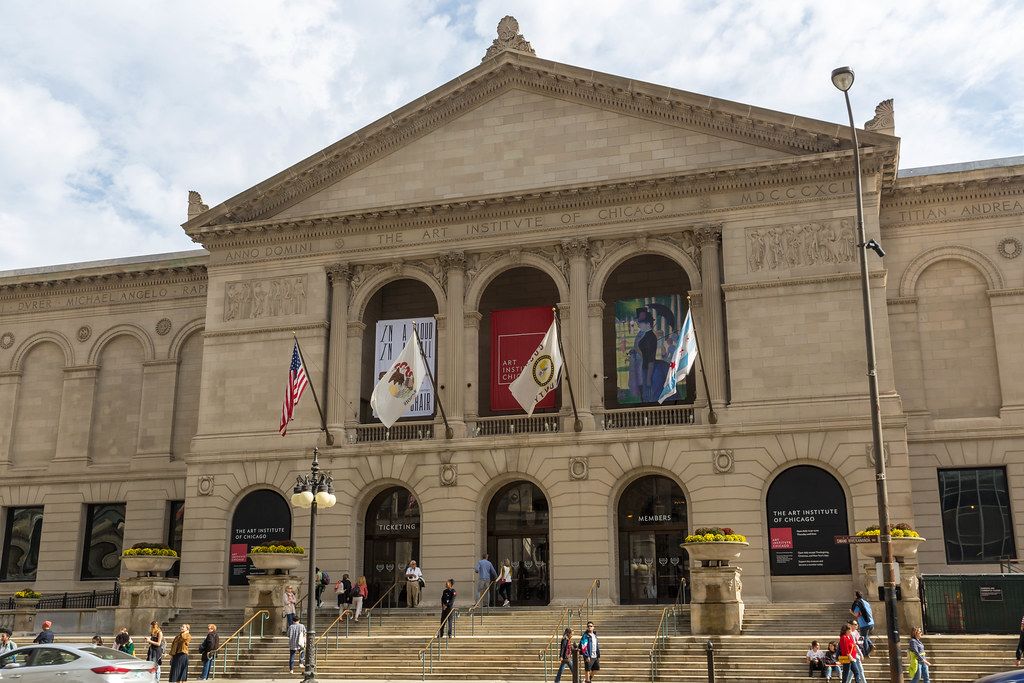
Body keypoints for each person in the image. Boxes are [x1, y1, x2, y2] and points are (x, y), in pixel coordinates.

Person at [851, 590, 875, 657]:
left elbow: (857, 614)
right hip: (871, 623)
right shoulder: (866, 602)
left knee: (863, 638)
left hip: (864, 624)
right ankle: (871, 645)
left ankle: (866, 653)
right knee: (865, 636)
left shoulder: (857, 604)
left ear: (856, 596)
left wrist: (851, 612)